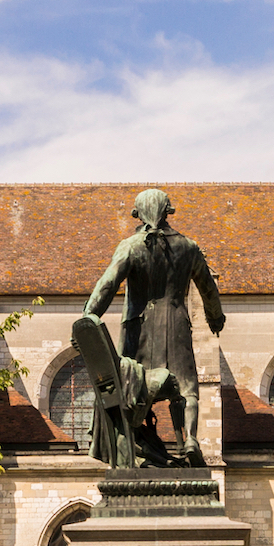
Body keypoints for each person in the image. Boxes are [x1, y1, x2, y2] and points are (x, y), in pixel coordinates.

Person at [83, 188, 224, 466]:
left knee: (136, 386)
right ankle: (191, 439)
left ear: (137, 213)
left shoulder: (131, 246)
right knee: (186, 388)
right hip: (177, 323)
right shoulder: (189, 247)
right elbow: (208, 288)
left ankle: (136, 447)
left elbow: (108, 285)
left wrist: (88, 316)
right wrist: (215, 316)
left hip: (140, 328)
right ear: (169, 210)